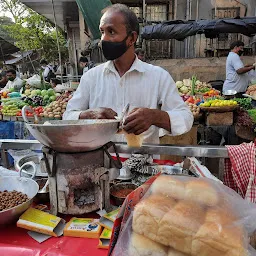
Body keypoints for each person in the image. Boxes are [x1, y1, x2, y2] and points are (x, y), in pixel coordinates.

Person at [63, 4, 193, 144]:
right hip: (101, 161)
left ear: (131, 38)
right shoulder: (91, 77)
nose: (103, 40)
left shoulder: (158, 77)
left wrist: (155, 116)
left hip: (143, 161)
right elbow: (67, 116)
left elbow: (185, 118)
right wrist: (87, 115)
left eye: (111, 32)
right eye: (102, 32)